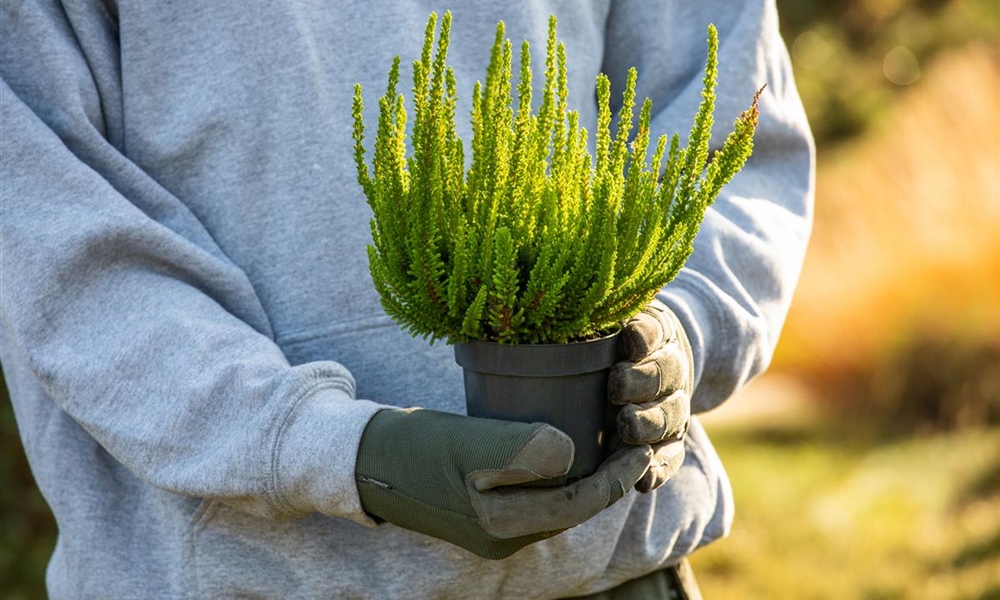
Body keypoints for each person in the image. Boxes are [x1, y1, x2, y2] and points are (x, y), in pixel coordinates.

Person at [0, 0, 813, 598]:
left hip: (608, 574)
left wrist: (677, 326)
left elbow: (726, 124)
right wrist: (329, 448)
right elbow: (51, 228)